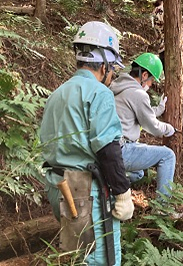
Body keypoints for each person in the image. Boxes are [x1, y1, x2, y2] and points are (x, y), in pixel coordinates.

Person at [40, 21, 134, 265]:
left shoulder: (57, 94)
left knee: (74, 255)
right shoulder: (99, 93)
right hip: (85, 191)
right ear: (104, 64)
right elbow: (107, 149)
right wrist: (123, 192)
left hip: (57, 186)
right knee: (100, 258)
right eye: (112, 68)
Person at [109, 52, 176, 200]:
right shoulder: (138, 93)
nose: (151, 85)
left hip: (109, 149)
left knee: (138, 172)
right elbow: (153, 127)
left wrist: (159, 110)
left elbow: (135, 113)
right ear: (144, 75)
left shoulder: (118, 86)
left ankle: (111, 189)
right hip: (122, 149)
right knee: (168, 155)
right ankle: (163, 209)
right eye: (151, 80)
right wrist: (169, 129)